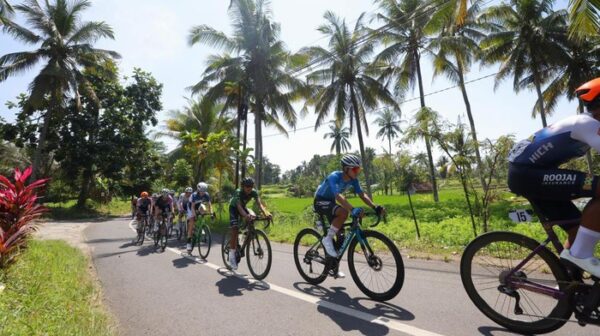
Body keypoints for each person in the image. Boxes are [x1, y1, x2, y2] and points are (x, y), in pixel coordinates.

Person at [507, 77, 600, 278]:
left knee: (577, 230)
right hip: (526, 174)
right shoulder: (587, 123)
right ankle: (581, 255)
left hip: (534, 173)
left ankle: (568, 287)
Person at [314, 154, 384, 278]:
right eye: (355, 169)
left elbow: (362, 195)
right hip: (320, 201)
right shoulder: (334, 176)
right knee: (344, 212)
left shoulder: (353, 180)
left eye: (359, 169)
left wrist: (375, 207)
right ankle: (327, 239)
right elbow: (338, 196)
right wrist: (352, 209)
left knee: (341, 238)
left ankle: (333, 268)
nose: (358, 172)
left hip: (331, 203)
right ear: (346, 169)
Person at [228, 177, 271, 270]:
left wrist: (266, 213)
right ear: (243, 186)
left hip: (243, 207)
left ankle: (245, 236)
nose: (249, 188)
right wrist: (245, 216)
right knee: (235, 228)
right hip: (234, 208)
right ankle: (231, 255)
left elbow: (260, 204)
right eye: (247, 186)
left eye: (251, 186)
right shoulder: (238, 192)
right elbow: (238, 206)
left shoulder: (253, 192)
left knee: (253, 218)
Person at [187, 182, 214, 253]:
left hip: (198, 205)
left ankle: (201, 226)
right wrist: (194, 215)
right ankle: (188, 242)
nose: (202, 193)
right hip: (191, 207)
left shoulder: (206, 195)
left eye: (204, 191)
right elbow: (192, 207)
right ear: (198, 190)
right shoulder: (194, 195)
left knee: (203, 210)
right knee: (192, 221)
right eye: (201, 191)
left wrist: (211, 213)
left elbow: (209, 205)